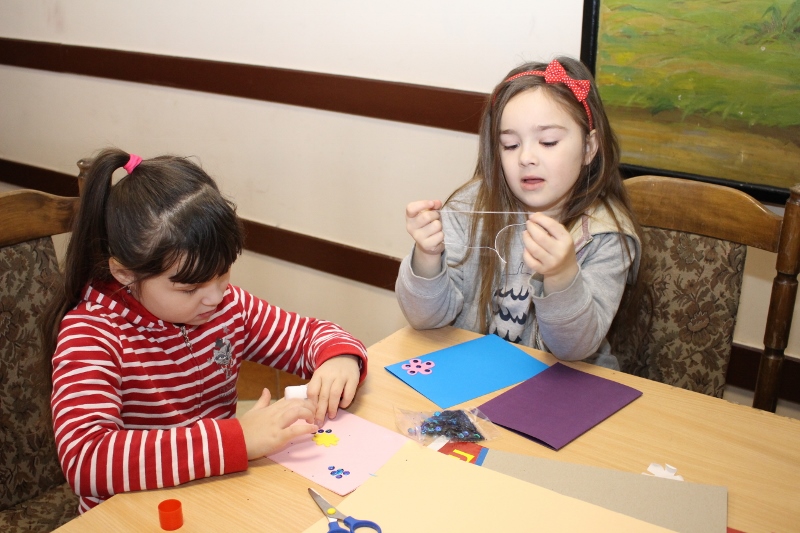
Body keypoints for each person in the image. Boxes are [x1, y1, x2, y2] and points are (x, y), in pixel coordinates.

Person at [43, 148, 368, 514]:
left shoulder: (228, 306)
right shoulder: (92, 336)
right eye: (190, 288)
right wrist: (238, 439)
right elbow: (86, 460)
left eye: (223, 273)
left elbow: (309, 335)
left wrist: (340, 358)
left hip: (215, 495)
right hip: (131, 514)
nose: (215, 297)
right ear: (124, 273)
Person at [396, 57, 642, 370]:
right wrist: (427, 257)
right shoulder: (469, 207)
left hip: (568, 384)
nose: (526, 157)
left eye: (548, 142)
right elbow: (425, 319)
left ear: (588, 148)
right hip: (477, 373)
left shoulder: (606, 234)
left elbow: (574, 349)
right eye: (510, 145)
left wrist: (562, 275)